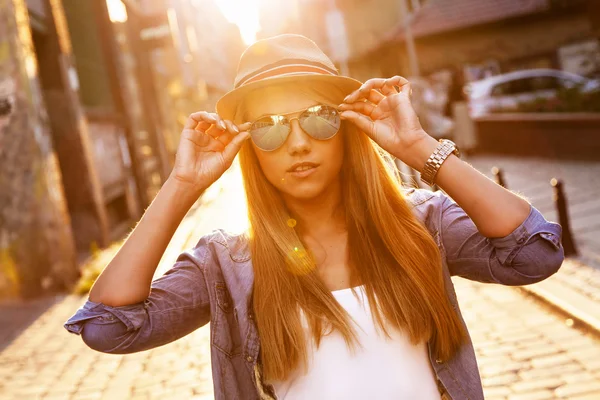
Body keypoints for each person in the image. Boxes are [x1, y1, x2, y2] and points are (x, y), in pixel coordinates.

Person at [64, 34, 564, 400]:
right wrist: (182, 186)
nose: (298, 142)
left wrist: (418, 147)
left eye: (317, 119)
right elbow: (109, 327)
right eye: (269, 128)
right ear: (250, 150)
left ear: (347, 129)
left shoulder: (421, 225)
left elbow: (534, 253)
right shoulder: (227, 264)